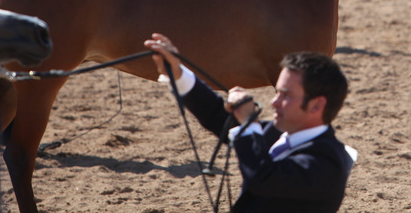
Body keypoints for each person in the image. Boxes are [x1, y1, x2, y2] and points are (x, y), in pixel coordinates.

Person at [144, 34, 355, 213]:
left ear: (317, 105)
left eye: (285, 95)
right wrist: (177, 73)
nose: (274, 101)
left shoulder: (327, 163)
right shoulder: (278, 134)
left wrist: (248, 121)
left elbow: (263, 177)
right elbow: (220, 118)